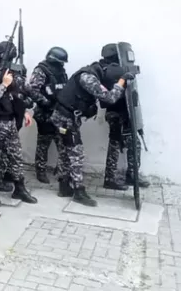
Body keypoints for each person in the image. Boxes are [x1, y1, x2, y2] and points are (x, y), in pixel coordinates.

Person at [52, 50, 134, 206]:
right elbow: (110, 98)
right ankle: (78, 191)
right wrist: (121, 82)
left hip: (63, 117)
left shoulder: (89, 72)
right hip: (66, 119)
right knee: (77, 154)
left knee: (64, 152)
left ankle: (64, 187)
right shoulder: (88, 78)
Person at [0, 43, 37, 207]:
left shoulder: (4, 73)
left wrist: (22, 111)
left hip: (10, 121)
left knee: (16, 156)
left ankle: (20, 188)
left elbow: (14, 96)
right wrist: (3, 84)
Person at [98, 44, 150, 190]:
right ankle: (110, 178)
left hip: (123, 112)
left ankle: (130, 175)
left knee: (131, 143)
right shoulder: (110, 70)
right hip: (117, 113)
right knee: (115, 144)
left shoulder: (107, 69)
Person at [26, 47, 69, 185]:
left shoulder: (61, 71)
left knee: (62, 143)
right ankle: (40, 171)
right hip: (45, 113)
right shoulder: (41, 70)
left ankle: (62, 171)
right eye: (59, 62)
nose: (61, 65)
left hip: (59, 113)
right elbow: (32, 90)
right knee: (43, 144)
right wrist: (47, 103)